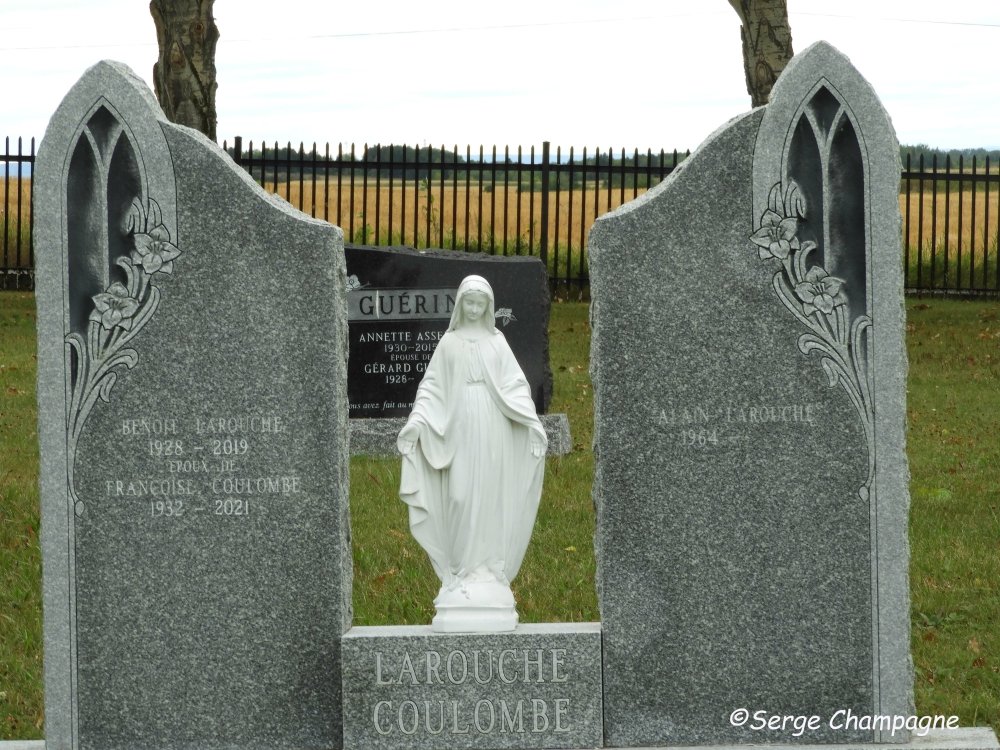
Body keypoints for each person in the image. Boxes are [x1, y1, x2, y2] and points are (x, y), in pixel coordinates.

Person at [397, 275, 546, 632]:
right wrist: (416, 423)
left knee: (489, 495)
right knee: (460, 495)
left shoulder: (497, 342)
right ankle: (461, 572)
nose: (476, 309)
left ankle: (489, 573)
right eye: (470, 303)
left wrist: (532, 423)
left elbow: (515, 385)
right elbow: (431, 388)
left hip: (493, 424)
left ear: (488, 306)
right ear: (461, 305)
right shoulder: (449, 343)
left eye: (481, 304)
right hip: (459, 424)